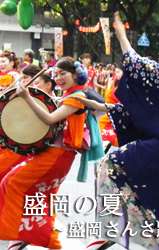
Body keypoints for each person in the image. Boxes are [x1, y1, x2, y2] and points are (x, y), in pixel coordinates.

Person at [79, 14, 159, 250]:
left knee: (110, 164)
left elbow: (147, 70)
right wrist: (104, 106)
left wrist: (123, 40)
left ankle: (113, 226)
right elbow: (154, 110)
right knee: (158, 205)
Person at [0, 57, 104, 250]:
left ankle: (19, 235)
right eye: (56, 74)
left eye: (63, 73)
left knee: (12, 184)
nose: (58, 78)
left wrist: (27, 97)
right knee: (39, 198)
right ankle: (36, 241)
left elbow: (49, 119)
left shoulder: (76, 97)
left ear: (76, 74)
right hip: (51, 155)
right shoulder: (65, 97)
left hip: (56, 156)